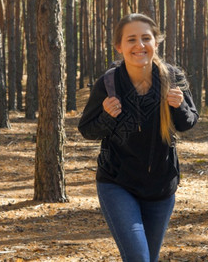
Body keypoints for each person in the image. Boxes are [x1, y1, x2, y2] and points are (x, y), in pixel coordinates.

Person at [78, 13, 198, 262]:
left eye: (146, 38)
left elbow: (188, 123)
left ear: (156, 42)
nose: (139, 45)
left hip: (161, 186)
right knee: (138, 258)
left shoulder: (172, 77)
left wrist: (180, 107)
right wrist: (106, 117)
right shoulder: (109, 83)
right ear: (119, 46)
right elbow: (87, 129)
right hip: (117, 184)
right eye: (131, 39)